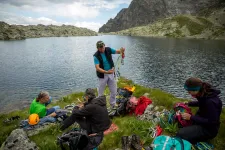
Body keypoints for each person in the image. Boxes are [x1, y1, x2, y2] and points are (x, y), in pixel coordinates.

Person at [176, 77, 222, 144]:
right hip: (201, 121)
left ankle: (199, 140)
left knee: (180, 134)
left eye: (189, 91)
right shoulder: (203, 92)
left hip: (208, 130)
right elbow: (202, 103)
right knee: (182, 125)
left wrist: (191, 117)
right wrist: (189, 103)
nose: (188, 93)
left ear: (195, 90)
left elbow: (212, 121)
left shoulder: (211, 102)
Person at [93, 41, 125, 108]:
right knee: (100, 92)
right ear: (97, 48)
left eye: (102, 47)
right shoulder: (96, 56)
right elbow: (97, 68)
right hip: (102, 75)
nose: (102, 49)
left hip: (111, 73)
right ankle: (99, 106)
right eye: (100, 48)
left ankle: (113, 104)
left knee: (114, 91)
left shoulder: (108, 49)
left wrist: (122, 50)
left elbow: (118, 52)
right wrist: (107, 72)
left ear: (104, 46)